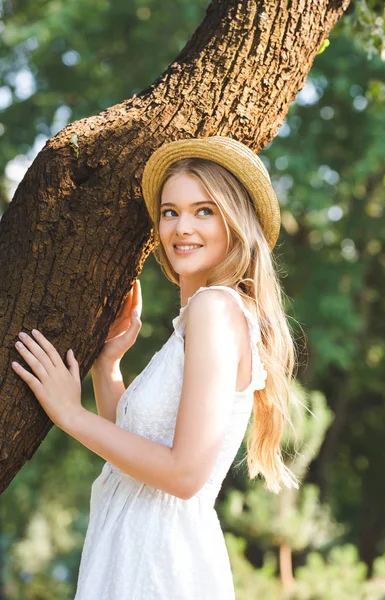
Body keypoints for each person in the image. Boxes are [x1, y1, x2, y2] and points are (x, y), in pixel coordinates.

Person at [11, 135, 299, 599]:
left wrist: (70, 414)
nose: (182, 227)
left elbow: (184, 475)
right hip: (135, 552)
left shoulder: (214, 309)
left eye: (204, 210)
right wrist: (108, 368)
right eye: (171, 212)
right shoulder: (198, 322)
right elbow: (138, 456)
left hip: (161, 566)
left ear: (235, 221)